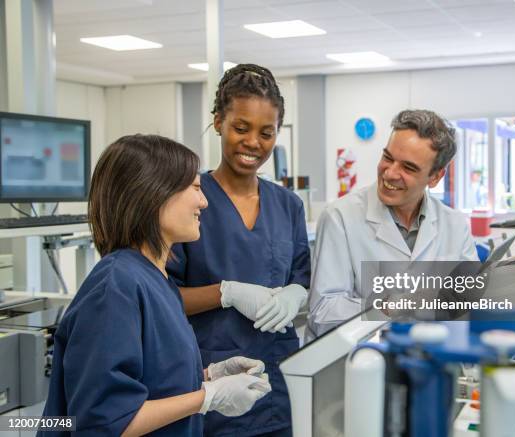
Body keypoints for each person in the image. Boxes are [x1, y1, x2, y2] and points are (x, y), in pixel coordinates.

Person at [39, 134, 271, 436]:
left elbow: (148, 381)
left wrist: (208, 377)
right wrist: (207, 397)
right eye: (195, 188)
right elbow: (106, 422)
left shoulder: (156, 279)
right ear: (153, 194)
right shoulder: (115, 286)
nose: (203, 201)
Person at [167, 64, 310, 437]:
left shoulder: (288, 205)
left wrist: (297, 294)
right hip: (211, 380)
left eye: (267, 133)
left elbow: (301, 277)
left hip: (276, 382)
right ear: (218, 122)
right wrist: (226, 293)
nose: (253, 143)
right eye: (240, 128)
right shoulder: (188, 200)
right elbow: (162, 299)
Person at [307, 109, 478, 339]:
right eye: (388, 158)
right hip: (361, 362)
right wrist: (386, 307)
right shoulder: (340, 217)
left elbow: (471, 301)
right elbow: (322, 312)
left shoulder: (454, 224)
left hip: (433, 357)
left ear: (435, 177)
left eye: (408, 168)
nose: (390, 173)